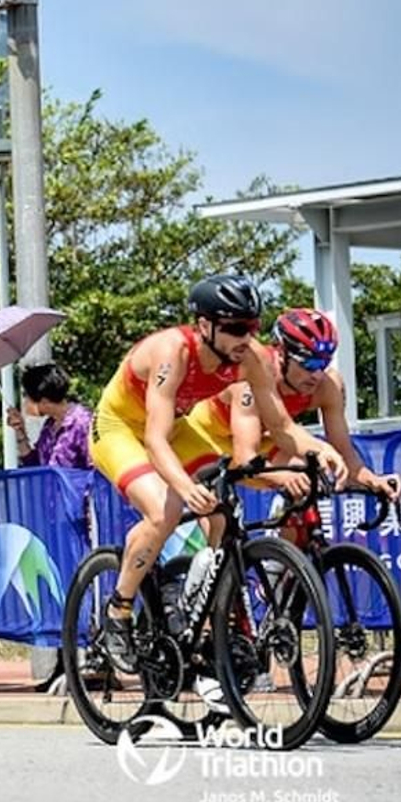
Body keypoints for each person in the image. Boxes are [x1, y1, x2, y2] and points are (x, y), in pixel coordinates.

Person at [89, 275, 347, 674]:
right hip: (121, 427)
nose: (246, 336)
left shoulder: (251, 357)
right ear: (205, 325)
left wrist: (322, 450)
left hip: (176, 428)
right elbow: (155, 440)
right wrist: (185, 487)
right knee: (164, 511)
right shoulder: (173, 351)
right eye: (235, 328)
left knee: (224, 509)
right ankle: (118, 610)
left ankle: (212, 616)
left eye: (252, 326)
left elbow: (281, 428)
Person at [182, 308, 401, 533]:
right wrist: (283, 477)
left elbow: (346, 457)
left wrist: (374, 480)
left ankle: (281, 563)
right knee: (219, 532)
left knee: (307, 473)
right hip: (205, 443)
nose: (316, 375)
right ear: (281, 353)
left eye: (323, 363)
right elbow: (244, 458)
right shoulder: (251, 375)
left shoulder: (328, 387)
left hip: (260, 441)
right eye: (308, 364)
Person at [7, 363, 94, 470]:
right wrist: (19, 431)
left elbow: (97, 469)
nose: (25, 403)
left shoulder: (82, 423)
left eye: (27, 396)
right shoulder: (49, 426)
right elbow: (35, 466)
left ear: (44, 401)